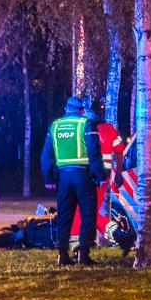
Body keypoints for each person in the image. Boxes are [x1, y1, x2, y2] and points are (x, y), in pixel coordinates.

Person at [41, 97, 105, 266]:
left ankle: (62, 255)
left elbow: (46, 154)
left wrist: (48, 178)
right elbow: (94, 151)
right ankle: (83, 256)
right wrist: (99, 175)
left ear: (66, 109)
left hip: (63, 177)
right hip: (83, 176)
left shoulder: (55, 126)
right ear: (81, 110)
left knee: (64, 216)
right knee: (87, 214)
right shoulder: (86, 124)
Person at [69, 100, 126, 241]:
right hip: (101, 176)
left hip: (88, 175)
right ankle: (113, 233)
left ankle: (77, 239)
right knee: (88, 209)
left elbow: (119, 151)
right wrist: (118, 173)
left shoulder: (84, 128)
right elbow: (119, 151)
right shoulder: (107, 129)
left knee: (81, 208)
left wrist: (119, 173)